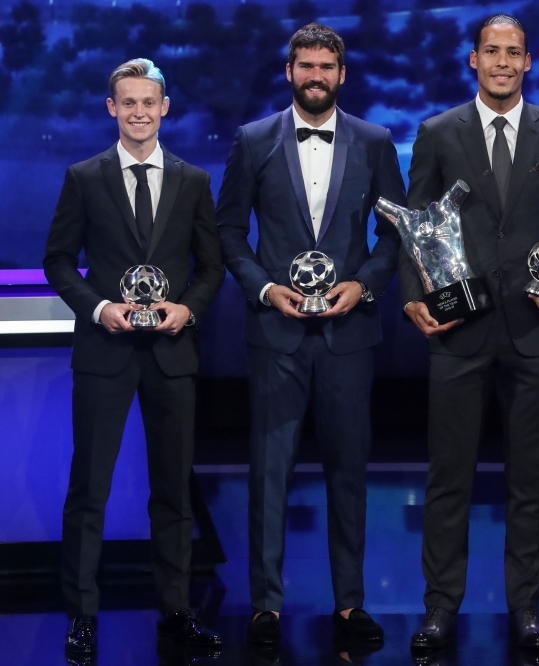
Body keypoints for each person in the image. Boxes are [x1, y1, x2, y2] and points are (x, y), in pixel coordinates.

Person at [400, 13, 539, 652]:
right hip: (459, 329)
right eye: (492, 51)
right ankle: (440, 608)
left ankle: (526, 608)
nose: (503, 62)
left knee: (528, 477)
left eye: (513, 52)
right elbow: (415, 226)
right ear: (472, 60)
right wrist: (410, 297)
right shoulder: (437, 132)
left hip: (535, 331)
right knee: (449, 475)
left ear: (528, 62)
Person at [215, 23, 405, 647]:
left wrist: (366, 286)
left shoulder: (376, 142)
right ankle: (265, 607)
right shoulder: (253, 140)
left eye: (327, 65)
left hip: (349, 336)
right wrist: (266, 289)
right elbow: (229, 232)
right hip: (277, 334)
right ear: (289, 71)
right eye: (306, 66)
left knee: (350, 472)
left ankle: (349, 605)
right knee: (269, 472)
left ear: (342, 74)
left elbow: (395, 233)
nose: (316, 75)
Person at [43, 58, 225, 657]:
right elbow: (59, 260)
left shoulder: (194, 180)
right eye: (129, 103)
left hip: (172, 353)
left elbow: (211, 265)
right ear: (112, 108)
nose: (140, 112)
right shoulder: (84, 177)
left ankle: (175, 611)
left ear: (164, 108)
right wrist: (99, 309)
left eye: (150, 102)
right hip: (106, 351)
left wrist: (187, 309)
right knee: (89, 488)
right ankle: (82, 615)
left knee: (172, 490)